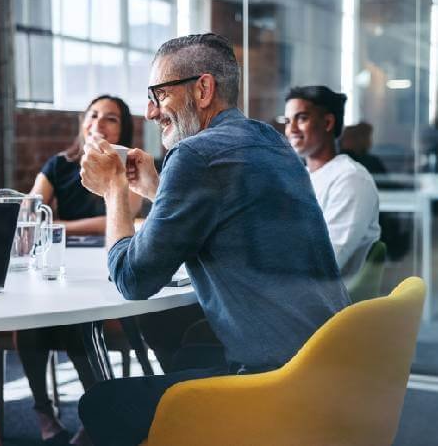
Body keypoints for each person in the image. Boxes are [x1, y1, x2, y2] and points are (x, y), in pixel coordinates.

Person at [78, 33, 350, 446]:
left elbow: (132, 280)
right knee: (188, 349)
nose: (150, 111)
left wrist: (115, 189)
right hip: (328, 366)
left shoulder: (195, 156)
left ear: (203, 89)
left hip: (279, 382)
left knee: (100, 404)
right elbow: (231, 218)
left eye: (159, 94)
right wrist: (157, 189)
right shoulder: (269, 141)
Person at [14, 95, 142, 446]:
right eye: (93, 115)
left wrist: (61, 225)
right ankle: (42, 410)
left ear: (124, 128)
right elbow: (30, 212)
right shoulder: (59, 165)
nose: (98, 123)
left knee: (78, 318)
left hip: (105, 270)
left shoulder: (128, 165)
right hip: (60, 267)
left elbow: (121, 218)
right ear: (83, 121)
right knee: (30, 318)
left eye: (111, 118)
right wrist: (40, 215)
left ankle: (94, 413)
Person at [284, 86, 381, 284]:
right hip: (294, 288)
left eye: (301, 118)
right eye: (287, 121)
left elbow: (327, 261)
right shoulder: (303, 177)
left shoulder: (350, 179)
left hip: (321, 301)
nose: (291, 129)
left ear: (328, 122)